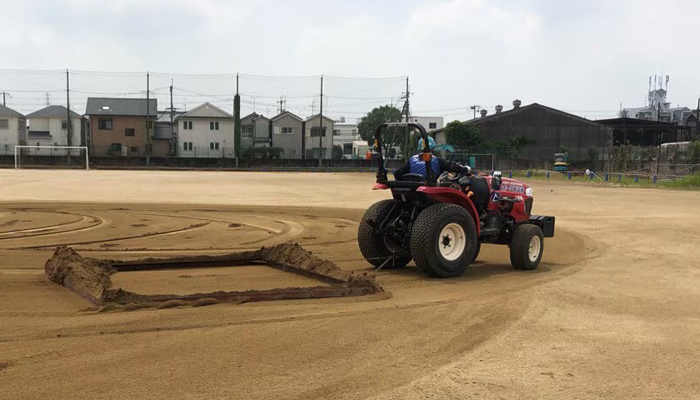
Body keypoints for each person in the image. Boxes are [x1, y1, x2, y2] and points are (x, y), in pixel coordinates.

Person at [394, 136, 470, 180]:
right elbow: (451, 166)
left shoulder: (411, 160)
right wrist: (465, 169)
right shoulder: (437, 160)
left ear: (419, 148)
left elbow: (397, 174)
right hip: (428, 191)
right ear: (433, 148)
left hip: (411, 190)